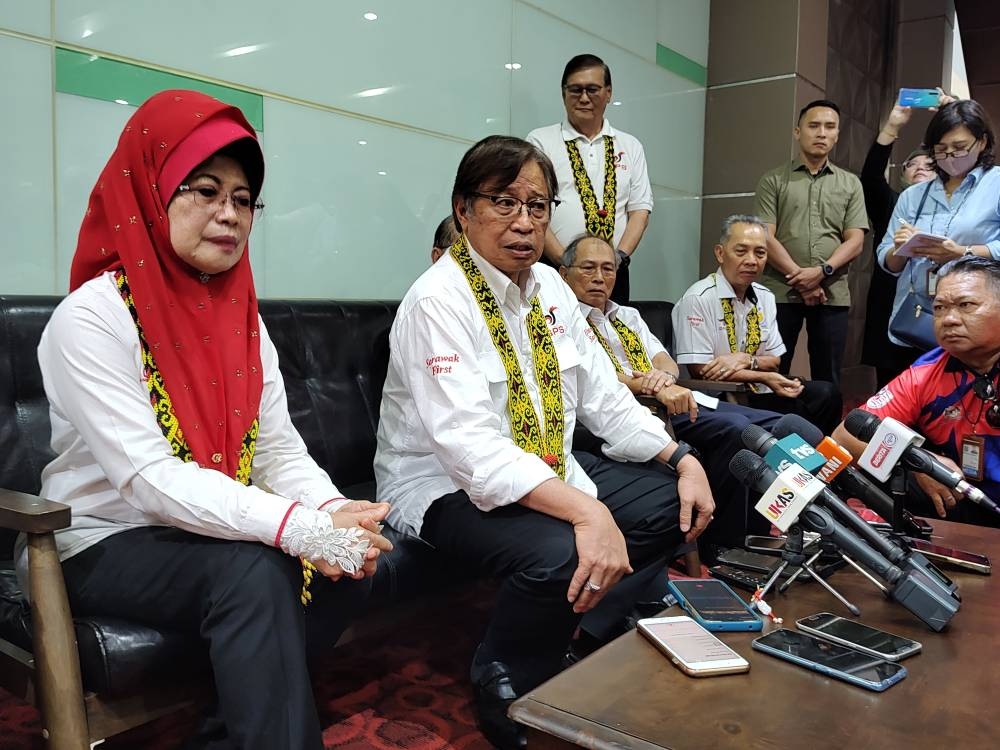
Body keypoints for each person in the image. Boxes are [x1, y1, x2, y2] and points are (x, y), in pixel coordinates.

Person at [15, 90, 392, 749]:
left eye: (244, 200)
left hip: (198, 534)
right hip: (100, 538)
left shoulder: (240, 319)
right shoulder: (93, 317)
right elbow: (148, 479)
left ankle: (228, 733)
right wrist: (301, 529)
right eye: (206, 190)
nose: (229, 215)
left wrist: (336, 513)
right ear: (151, 193)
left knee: (351, 569)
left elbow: (276, 449)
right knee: (259, 569)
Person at [374, 135, 713, 749]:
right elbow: (470, 451)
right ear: (463, 210)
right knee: (562, 548)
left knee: (673, 504)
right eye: (503, 203)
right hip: (440, 485)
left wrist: (681, 457)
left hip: (543, 465)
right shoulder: (437, 301)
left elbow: (605, 397)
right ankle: (504, 670)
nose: (523, 223)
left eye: (538, 206)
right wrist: (587, 510)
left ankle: (576, 631)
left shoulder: (553, 290)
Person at [559, 233, 783, 549]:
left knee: (774, 430)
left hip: (672, 399)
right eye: (588, 268)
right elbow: (588, 378)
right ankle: (723, 545)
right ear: (563, 274)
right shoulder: (559, 321)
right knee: (735, 430)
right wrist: (644, 385)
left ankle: (754, 535)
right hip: (632, 411)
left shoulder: (628, 315)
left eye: (608, 269)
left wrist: (661, 377)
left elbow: (666, 360)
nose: (600, 278)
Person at [833, 256, 1000, 528]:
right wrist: (917, 461)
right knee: (879, 468)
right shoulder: (926, 374)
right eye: (939, 308)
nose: (948, 319)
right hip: (961, 498)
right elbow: (845, 435)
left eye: (965, 305)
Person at [672, 215, 842, 434]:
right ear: (720, 253)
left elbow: (774, 360)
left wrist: (746, 360)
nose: (752, 260)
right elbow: (702, 370)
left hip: (758, 391)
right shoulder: (698, 298)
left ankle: (819, 463)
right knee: (794, 417)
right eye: (741, 251)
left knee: (826, 394)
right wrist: (763, 375)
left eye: (760, 253)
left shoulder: (765, 297)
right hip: (716, 397)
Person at [754, 99, 869, 389]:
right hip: (780, 291)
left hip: (832, 292)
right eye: (813, 125)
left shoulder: (850, 183)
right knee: (773, 369)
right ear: (797, 132)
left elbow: (855, 240)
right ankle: (772, 431)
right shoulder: (773, 180)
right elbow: (765, 236)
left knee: (828, 375)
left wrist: (822, 272)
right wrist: (802, 278)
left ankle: (827, 433)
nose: (821, 133)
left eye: (829, 127)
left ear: (837, 134)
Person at [877, 99, 1000, 359]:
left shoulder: (996, 184)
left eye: (959, 148)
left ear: (983, 142)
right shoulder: (913, 195)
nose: (950, 157)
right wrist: (900, 249)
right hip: (916, 317)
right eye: (941, 149)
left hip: (976, 321)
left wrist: (963, 252)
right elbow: (887, 259)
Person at [527, 53, 653, 303]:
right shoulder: (541, 141)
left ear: (608, 93)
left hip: (611, 272)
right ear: (563, 93)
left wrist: (619, 258)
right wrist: (566, 262)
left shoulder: (630, 145)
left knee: (610, 338)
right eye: (575, 90)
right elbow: (533, 208)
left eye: (592, 90)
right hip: (556, 269)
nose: (584, 98)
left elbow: (639, 210)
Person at [861, 96, 944, 387]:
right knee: (891, 389)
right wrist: (893, 124)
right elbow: (871, 177)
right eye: (913, 164)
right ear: (903, 173)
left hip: (939, 307)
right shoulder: (894, 203)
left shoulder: (956, 206)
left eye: (929, 164)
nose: (920, 167)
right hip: (892, 307)